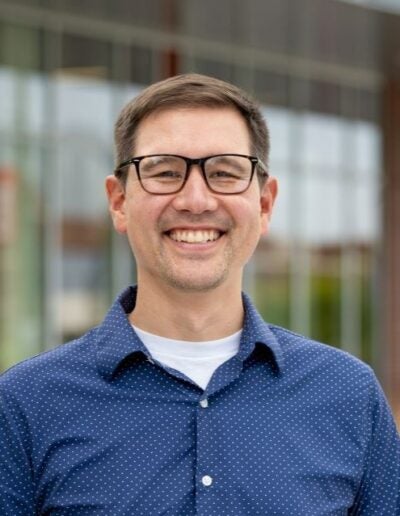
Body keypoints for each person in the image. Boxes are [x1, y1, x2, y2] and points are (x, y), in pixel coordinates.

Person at [0, 73, 399, 516]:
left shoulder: (347, 393)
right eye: (165, 172)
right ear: (118, 202)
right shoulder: (25, 403)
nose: (195, 199)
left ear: (264, 205)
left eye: (224, 173)